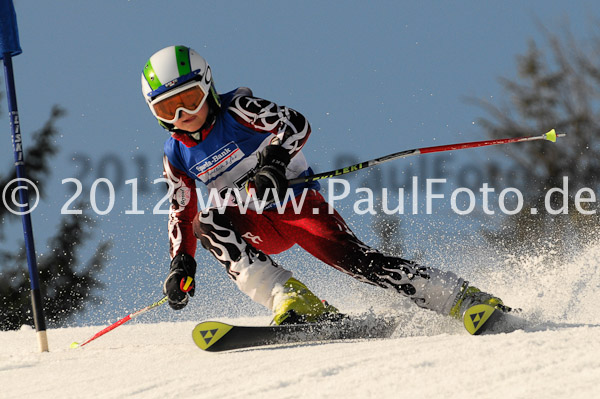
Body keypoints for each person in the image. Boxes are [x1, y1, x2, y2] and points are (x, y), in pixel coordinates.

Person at [141, 45, 509, 325]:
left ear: (207, 86)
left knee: (359, 263)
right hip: (252, 223)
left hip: (297, 207)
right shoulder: (175, 155)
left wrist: (274, 164)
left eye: (189, 100)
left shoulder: (239, 111)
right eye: (167, 109)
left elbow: (295, 123)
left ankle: (462, 298)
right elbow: (180, 210)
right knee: (206, 222)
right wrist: (181, 263)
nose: (182, 116)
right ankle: (291, 298)